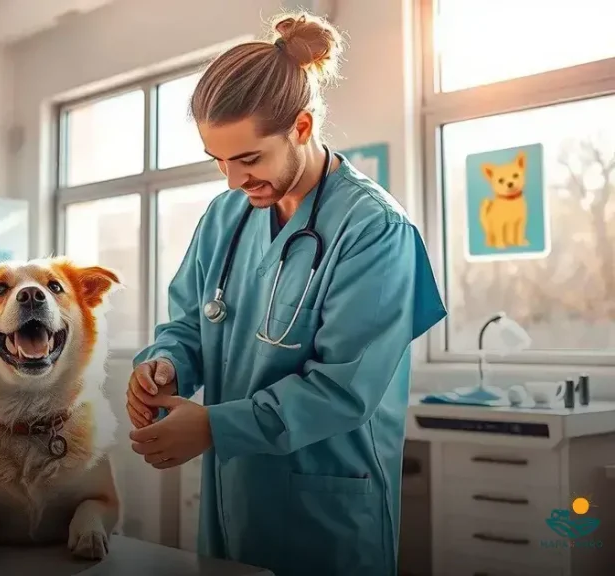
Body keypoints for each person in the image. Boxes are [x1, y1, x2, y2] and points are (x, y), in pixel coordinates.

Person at [125, 11, 447, 576]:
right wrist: (166, 367)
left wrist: (213, 426)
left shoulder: (373, 229)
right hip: (233, 501)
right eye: (219, 162)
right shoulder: (226, 216)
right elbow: (190, 324)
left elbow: (343, 388)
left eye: (249, 159)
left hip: (327, 514)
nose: (233, 180)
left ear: (301, 126)